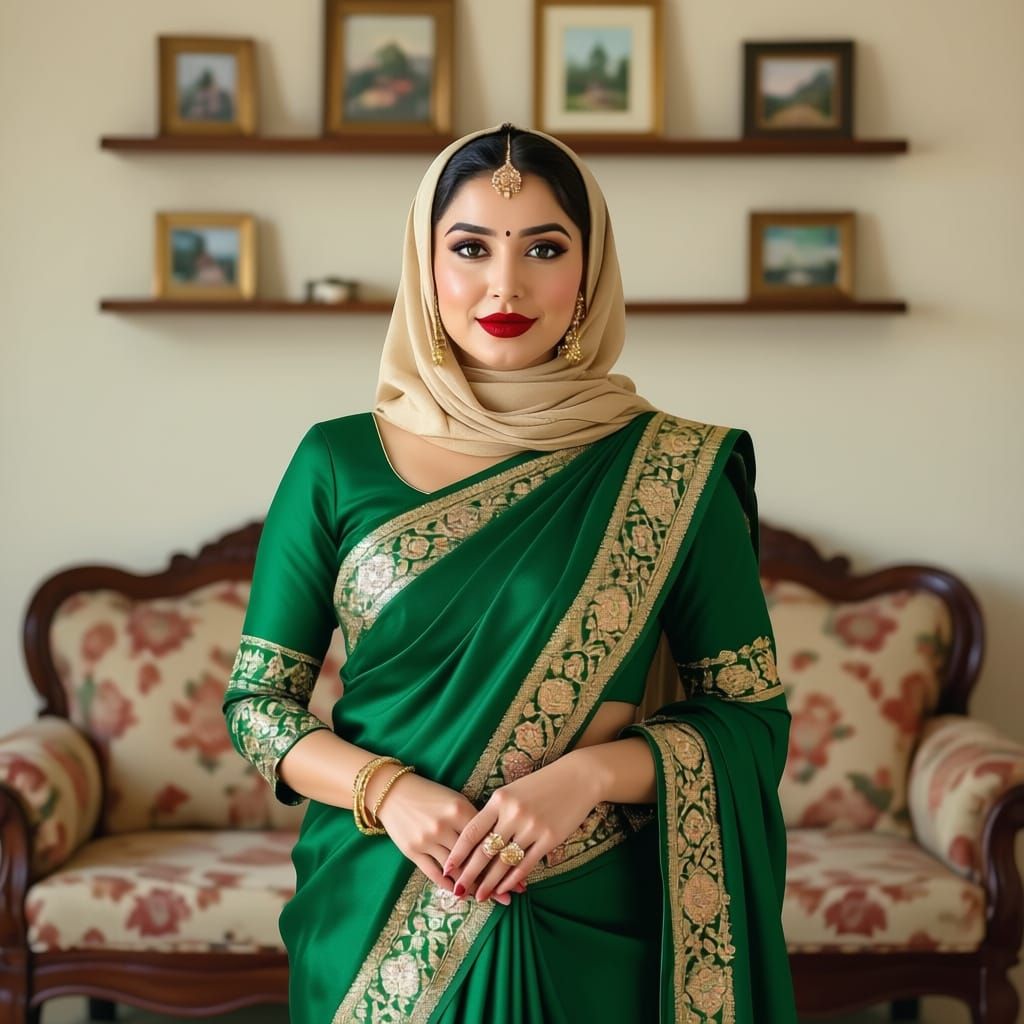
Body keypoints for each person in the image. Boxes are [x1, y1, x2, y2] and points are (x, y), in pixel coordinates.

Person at [221, 121, 797, 1024]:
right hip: (379, 904)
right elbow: (258, 705)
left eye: (543, 247)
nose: (506, 284)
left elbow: (749, 718)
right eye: (470, 247)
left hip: (593, 912)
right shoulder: (337, 460)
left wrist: (590, 777)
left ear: (589, 270)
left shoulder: (673, 469)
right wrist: (389, 792)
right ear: (426, 267)